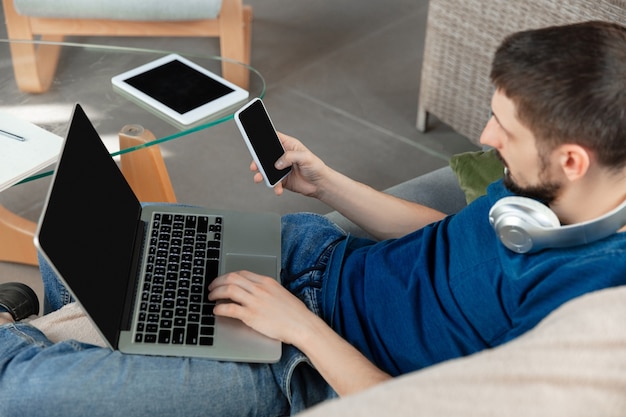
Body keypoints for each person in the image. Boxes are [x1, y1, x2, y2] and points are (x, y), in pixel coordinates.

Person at [1, 20, 625, 416]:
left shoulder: (586, 301)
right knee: (82, 236)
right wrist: (329, 186)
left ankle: (21, 326)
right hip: (316, 259)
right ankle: (62, 328)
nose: (486, 138)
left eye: (505, 129)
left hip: (304, 363)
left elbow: (419, 407)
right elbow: (442, 237)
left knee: (19, 389)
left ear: (572, 159)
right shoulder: (535, 194)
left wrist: (297, 325)